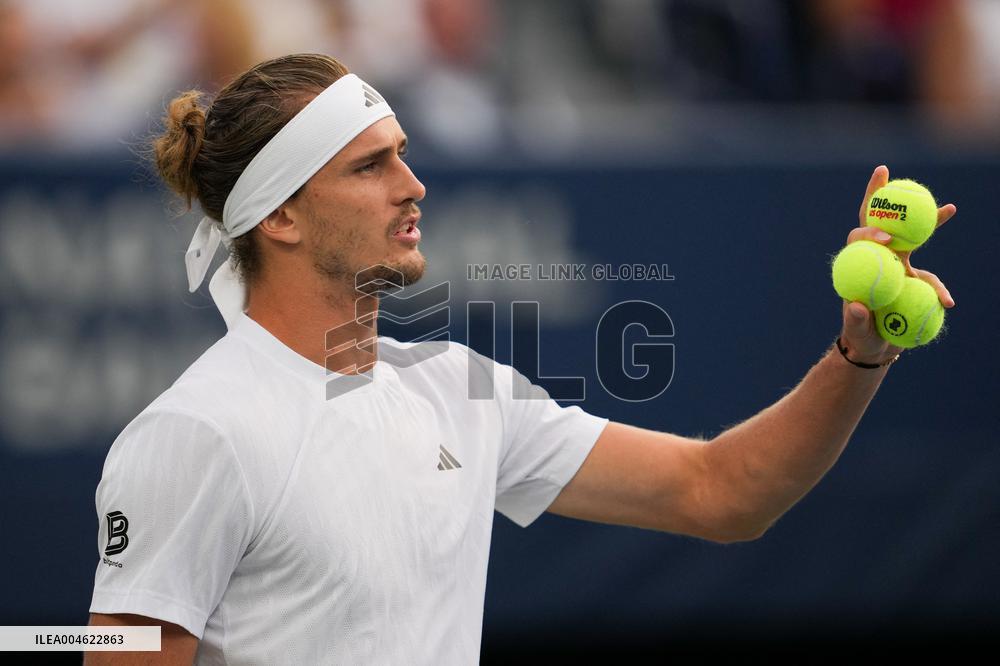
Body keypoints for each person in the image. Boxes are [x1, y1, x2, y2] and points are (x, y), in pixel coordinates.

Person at [85, 53, 956, 665]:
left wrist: (860, 353)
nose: (413, 186)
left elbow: (722, 493)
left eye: (404, 156)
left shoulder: (460, 389)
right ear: (281, 216)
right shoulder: (199, 432)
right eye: (371, 167)